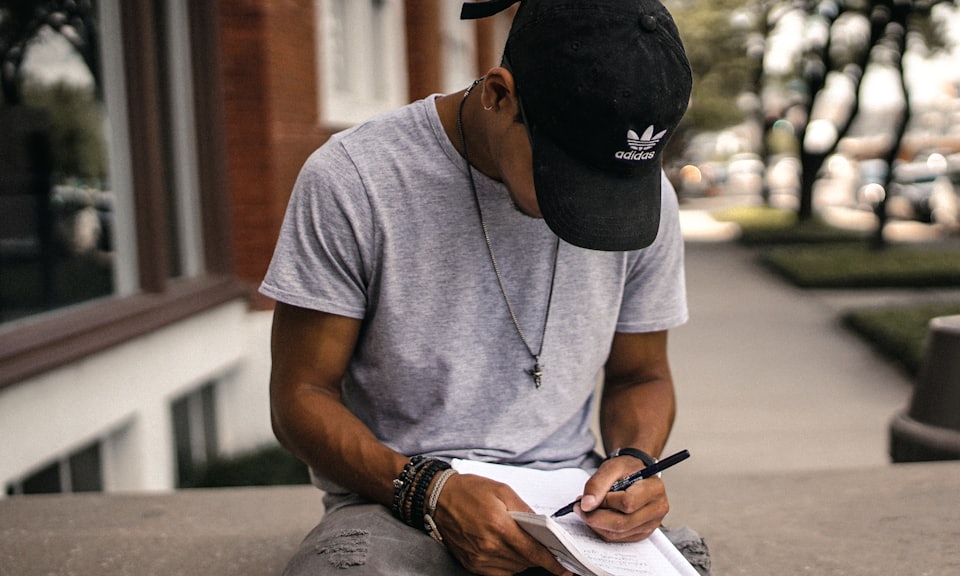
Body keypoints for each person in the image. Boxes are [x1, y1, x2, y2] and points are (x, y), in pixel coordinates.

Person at [260, 0, 702, 574]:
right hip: (396, 495)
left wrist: (635, 461)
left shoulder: (648, 204)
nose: (589, 212)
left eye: (613, 184)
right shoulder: (355, 179)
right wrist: (431, 492)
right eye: (566, 178)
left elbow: (640, 373)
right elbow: (299, 396)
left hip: (569, 503)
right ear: (499, 95)